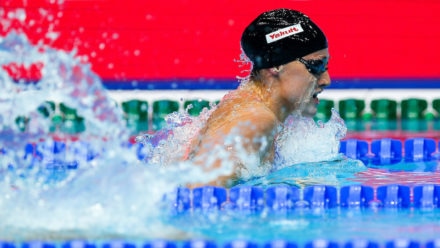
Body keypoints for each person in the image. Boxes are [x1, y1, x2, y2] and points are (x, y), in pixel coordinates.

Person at [185, 8, 331, 187]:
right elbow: (198, 194)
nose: (326, 80)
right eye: (316, 65)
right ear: (276, 65)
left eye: (326, 66)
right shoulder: (256, 120)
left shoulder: (250, 108)